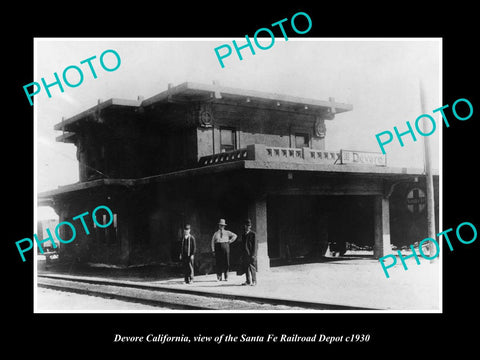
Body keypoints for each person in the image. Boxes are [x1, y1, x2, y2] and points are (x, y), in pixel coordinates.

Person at [241, 219, 257, 286]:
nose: (248, 227)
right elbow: (242, 245)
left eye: (249, 225)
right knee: (246, 268)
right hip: (245, 254)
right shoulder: (243, 234)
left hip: (251, 254)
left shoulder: (253, 234)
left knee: (252, 267)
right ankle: (248, 281)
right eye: (247, 225)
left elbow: (255, 245)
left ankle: (254, 281)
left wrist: (253, 254)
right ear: (245, 226)